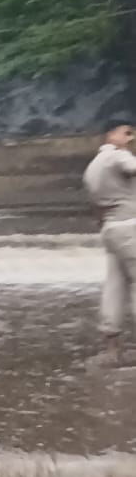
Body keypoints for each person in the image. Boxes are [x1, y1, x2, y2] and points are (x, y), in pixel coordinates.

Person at [83, 112, 136, 365]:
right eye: (126, 132)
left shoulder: (93, 165)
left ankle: (111, 348)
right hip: (130, 227)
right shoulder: (118, 156)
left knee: (115, 285)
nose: (130, 138)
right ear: (111, 135)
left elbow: (96, 206)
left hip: (110, 230)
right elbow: (132, 167)